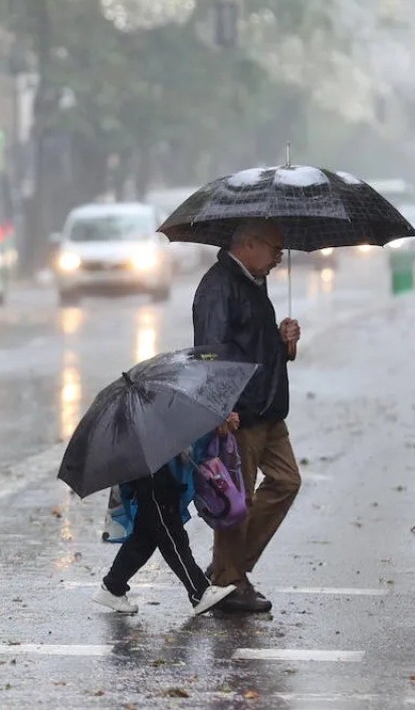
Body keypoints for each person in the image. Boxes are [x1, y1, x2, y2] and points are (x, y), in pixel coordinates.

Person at [192, 218, 301, 613]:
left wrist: (283, 340)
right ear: (250, 244)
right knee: (238, 500)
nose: (278, 259)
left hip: (269, 408)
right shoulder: (219, 287)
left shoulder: (254, 281)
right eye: (275, 249)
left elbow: (252, 343)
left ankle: (228, 568)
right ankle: (228, 582)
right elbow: (211, 352)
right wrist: (220, 407)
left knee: (287, 481)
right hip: (240, 412)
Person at [93, 422, 239, 616]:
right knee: (172, 534)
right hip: (151, 474)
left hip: (157, 468)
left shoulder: (147, 405)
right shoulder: (141, 409)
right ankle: (199, 591)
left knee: (144, 538)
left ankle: (112, 586)